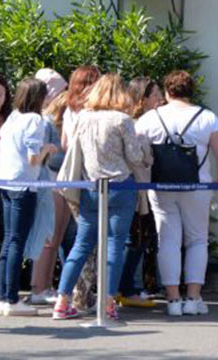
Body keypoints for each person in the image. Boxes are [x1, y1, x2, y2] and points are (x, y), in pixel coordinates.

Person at [54, 74, 150, 323]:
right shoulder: (123, 120)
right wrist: (143, 144)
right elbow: (135, 156)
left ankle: (62, 300)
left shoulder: (84, 118)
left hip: (91, 186)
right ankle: (107, 302)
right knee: (115, 245)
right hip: (121, 186)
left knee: (82, 244)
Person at [135, 69, 218, 317]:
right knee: (197, 240)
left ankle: (173, 300)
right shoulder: (207, 117)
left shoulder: (149, 118)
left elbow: (135, 151)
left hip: (160, 186)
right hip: (198, 186)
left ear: (167, 92)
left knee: (167, 240)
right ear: (191, 91)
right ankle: (193, 297)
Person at [29, 65, 98, 302]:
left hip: (64, 176)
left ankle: (46, 286)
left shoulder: (64, 110)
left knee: (57, 236)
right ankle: (39, 287)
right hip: (58, 176)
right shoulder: (58, 113)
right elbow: (63, 148)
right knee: (51, 236)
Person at [0, 77, 58, 316]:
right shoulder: (34, 120)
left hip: (5, 180)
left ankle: (4, 298)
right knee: (16, 241)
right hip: (24, 183)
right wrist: (48, 149)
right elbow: (33, 158)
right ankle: (11, 299)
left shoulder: (12, 118)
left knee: (9, 239)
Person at [118, 76, 163, 308]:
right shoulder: (135, 124)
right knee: (135, 239)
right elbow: (137, 158)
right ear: (142, 98)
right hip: (137, 189)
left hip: (142, 188)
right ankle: (124, 288)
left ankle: (127, 286)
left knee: (140, 239)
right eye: (155, 95)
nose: (160, 100)